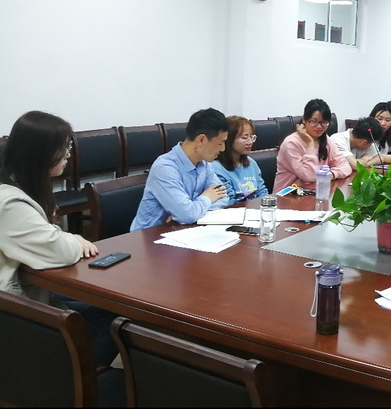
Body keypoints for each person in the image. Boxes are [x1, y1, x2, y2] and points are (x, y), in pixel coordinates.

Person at [0, 110, 117, 366]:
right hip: (14, 315)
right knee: (115, 317)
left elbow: (48, 234)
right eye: (63, 147)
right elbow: (59, 250)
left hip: (30, 292)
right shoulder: (10, 202)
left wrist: (69, 237)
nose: (68, 154)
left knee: (104, 305)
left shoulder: (22, 184)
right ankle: (75, 378)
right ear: (40, 152)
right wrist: (75, 240)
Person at [131, 108, 230, 231]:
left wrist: (190, 211)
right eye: (220, 143)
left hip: (182, 231)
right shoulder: (165, 168)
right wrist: (206, 198)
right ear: (201, 140)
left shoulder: (204, 164)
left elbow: (223, 197)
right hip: (148, 237)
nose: (223, 149)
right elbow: (187, 215)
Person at [274, 99, 352, 190]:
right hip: (288, 195)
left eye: (323, 122)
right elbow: (310, 176)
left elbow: (346, 166)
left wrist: (331, 175)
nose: (319, 126)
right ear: (304, 120)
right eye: (314, 121)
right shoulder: (291, 143)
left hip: (314, 192)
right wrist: (310, 144)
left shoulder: (326, 139)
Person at [213, 116, 268, 206]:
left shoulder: (251, 163)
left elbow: (262, 192)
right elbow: (229, 202)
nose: (250, 142)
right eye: (244, 138)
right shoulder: (216, 168)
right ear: (229, 139)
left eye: (252, 137)